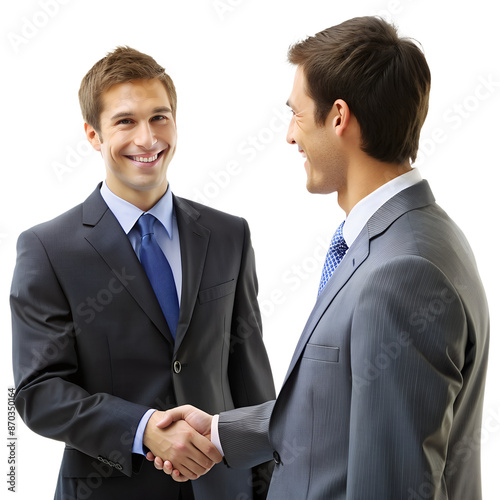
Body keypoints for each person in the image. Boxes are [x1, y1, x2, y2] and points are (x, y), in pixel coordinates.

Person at [150, 16, 490, 499]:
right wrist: (222, 432)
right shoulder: (410, 235)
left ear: (338, 117)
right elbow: (341, 400)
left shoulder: (403, 273)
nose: (290, 135)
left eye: (297, 114)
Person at [10, 46, 275, 500]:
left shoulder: (229, 234)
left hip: (224, 490)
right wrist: (143, 427)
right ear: (93, 134)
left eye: (160, 117)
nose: (149, 139)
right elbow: (39, 392)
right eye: (126, 121)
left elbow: (248, 374)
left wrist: (268, 485)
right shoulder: (47, 249)